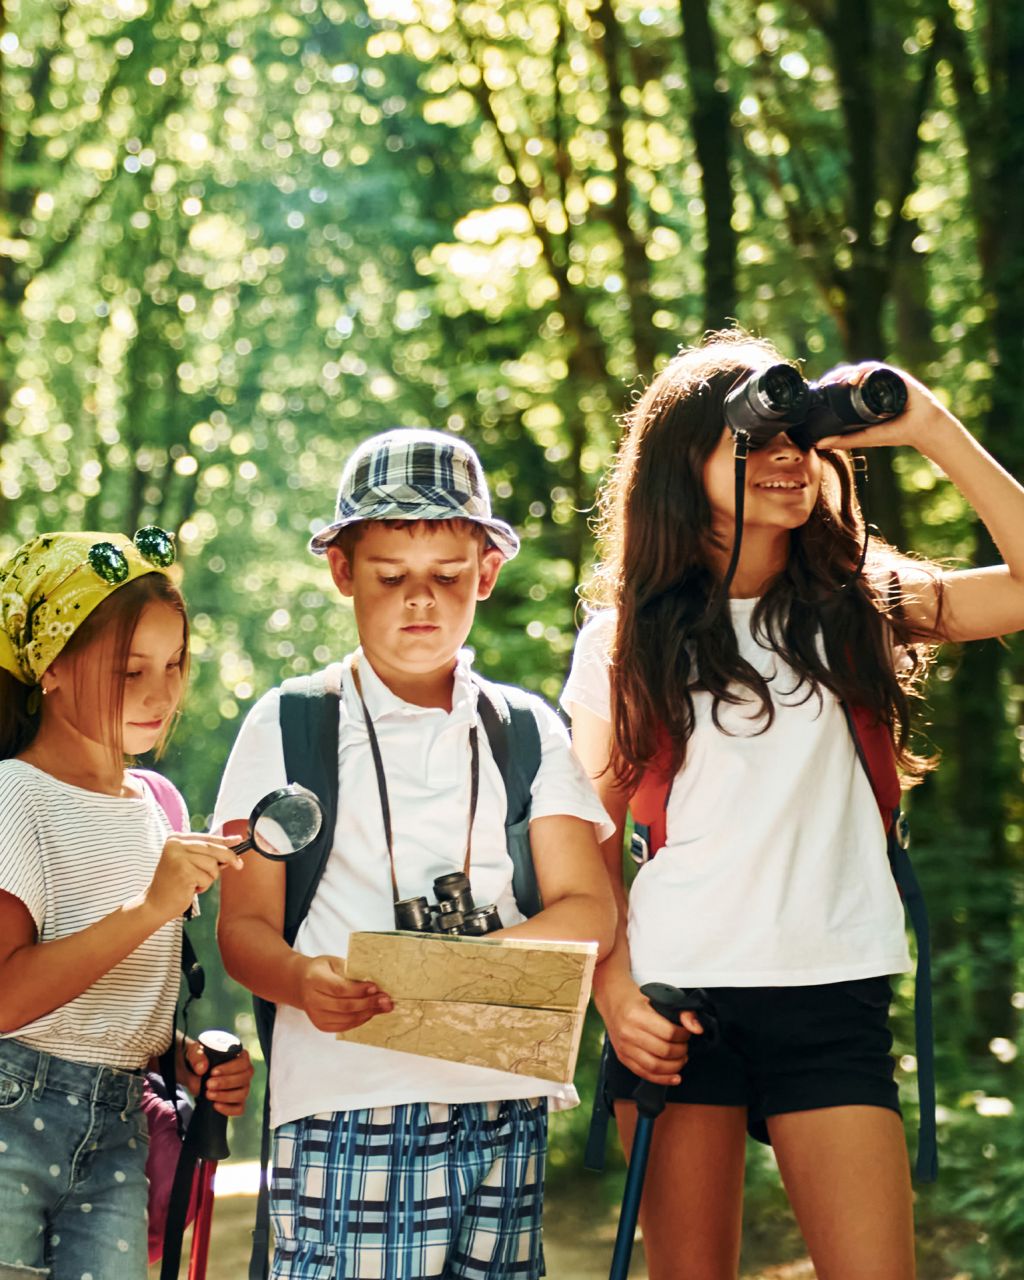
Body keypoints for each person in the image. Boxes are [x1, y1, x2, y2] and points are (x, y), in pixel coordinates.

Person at [562, 330, 1024, 1280]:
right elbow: (586, 847)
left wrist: (927, 425)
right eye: (756, 437)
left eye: (799, 439)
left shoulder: (864, 604)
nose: (787, 457)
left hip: (833, 993)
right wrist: (613, 996)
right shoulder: (625, 643)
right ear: (681, 469)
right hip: (677, 1001)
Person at [215, 428, 617, 1280]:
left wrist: (450, 967)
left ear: (488, 572)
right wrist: (301, 983)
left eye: (446, 578)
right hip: (345, 1099)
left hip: (503, 1096)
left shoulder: (526, 730)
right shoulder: (289, 725)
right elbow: (244, 928)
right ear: (341, 572)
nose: (419, 602)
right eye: (390, 578)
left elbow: (590, 910)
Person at [0, 528, 254, 1278]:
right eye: (128, 669)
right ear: (48, 667)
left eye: (173, 664)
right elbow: (9, 996)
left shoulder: (158, 806)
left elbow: (105, 1012)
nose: (160, 692)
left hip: (118, 1129)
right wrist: (150, 907)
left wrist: (185, 1062)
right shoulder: (16, 796)